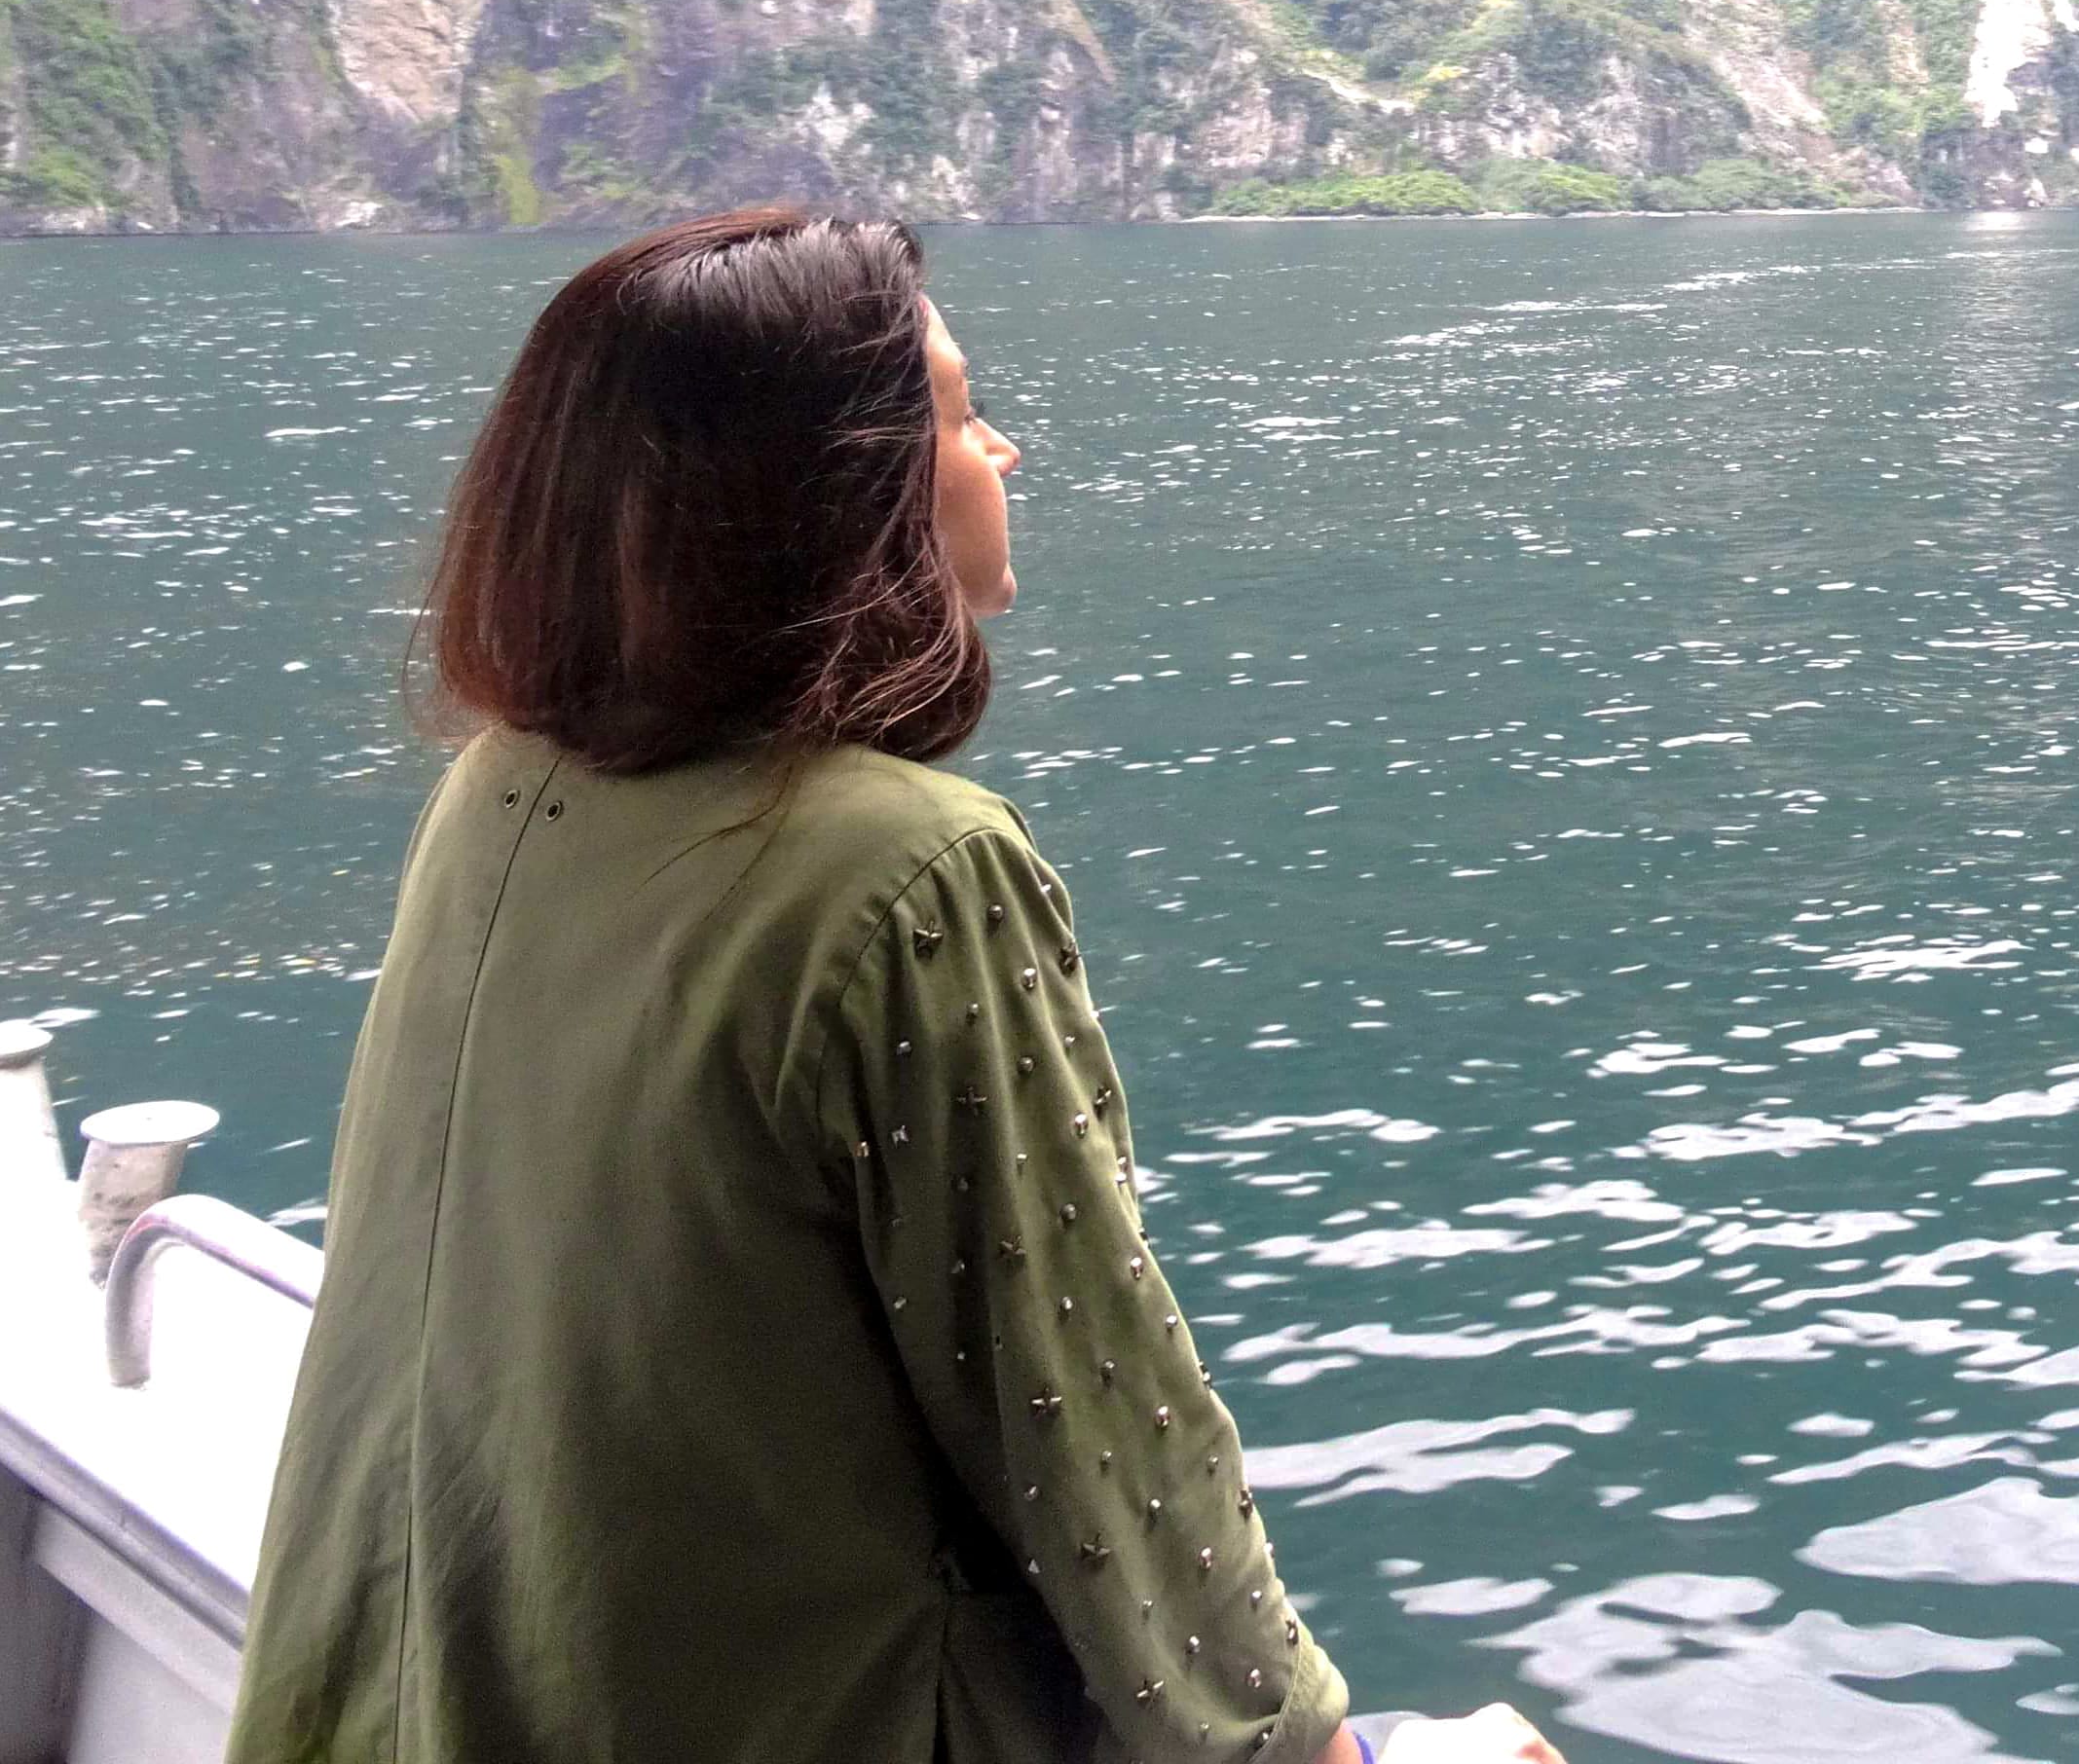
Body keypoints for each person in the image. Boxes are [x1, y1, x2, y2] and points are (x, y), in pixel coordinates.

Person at [228, 209, 1565, 1764]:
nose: (1000, 450)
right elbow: (1088, 1415)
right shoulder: (904, 868)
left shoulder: (505, 786)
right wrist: (1321, 1750)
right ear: (825, 489)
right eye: (956, 412)